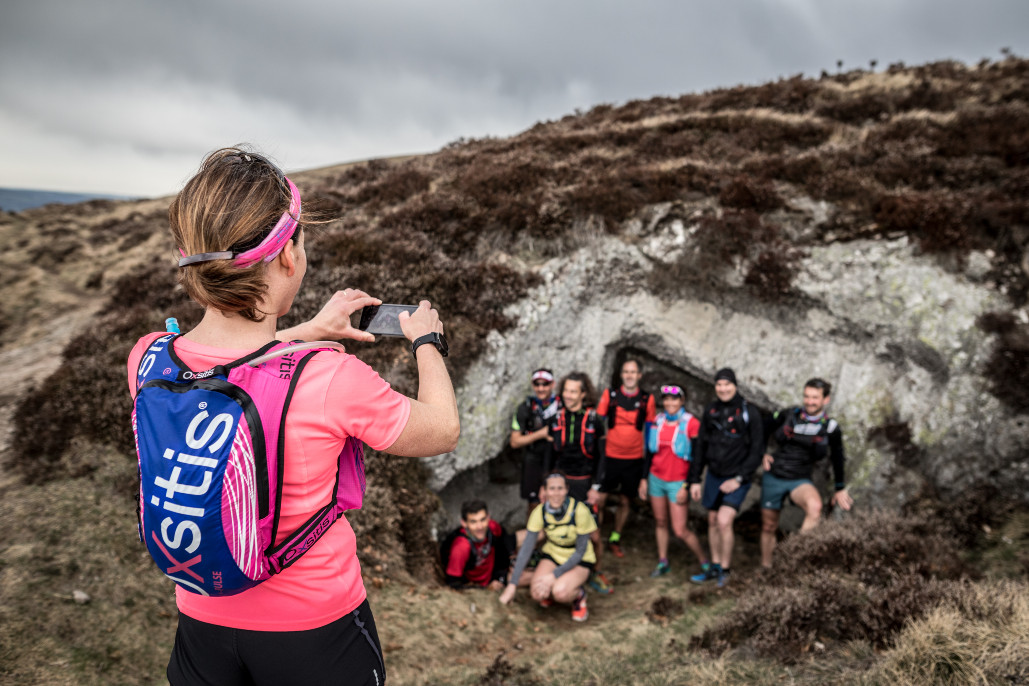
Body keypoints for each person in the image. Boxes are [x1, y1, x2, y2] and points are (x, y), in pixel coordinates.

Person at [127, 147, 459, 686]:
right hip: (315, 629)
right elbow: (442, 430)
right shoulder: (329, 378)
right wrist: (427, 341)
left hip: (202, 623)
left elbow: (225, 367)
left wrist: (309, 330)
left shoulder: (147, 359)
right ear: (288, 257)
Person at [760, 378, 854, 567]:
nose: (810, 401)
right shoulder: (788, 414)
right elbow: (761, 427)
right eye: (807, 396)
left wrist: (840, 488)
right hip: (775, 475)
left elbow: (837, 456)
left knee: (815, 507)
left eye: (815, 398)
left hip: (800, 479)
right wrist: (761, 453)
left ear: (825, 399)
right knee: (769, 526)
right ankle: (766, 568)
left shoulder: (830, 427)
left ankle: (793, 560)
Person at [687, 368, 763, 588]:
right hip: (714, 474)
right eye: (719, 384)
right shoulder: (711, 410)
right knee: (712, 520)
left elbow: (757, 450)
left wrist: (739, 478)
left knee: (723, 520)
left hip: (737, 476)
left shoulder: (749, 412)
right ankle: (715, 566)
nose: (723, 389)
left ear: (735, 386)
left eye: (727, 384)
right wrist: (695, 479)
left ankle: (726, 570)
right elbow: (701, 446)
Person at [543, 372, 611, 594]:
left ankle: (596, 572)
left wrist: (596, 488)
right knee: (558, 529)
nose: (568, 395)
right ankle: (563, 572)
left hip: (584, 484)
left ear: (583, 394)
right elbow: (549, 457)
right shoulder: (555, 419)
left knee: (594, 535)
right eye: (566, 390)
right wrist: (545, 486)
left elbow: (602, 458)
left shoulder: (594, 420)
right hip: (560, 486)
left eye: (573, 391)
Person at [499, 472, 595, 622]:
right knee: (537, 593)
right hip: (553, 553)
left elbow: (580, 551)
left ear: (566, 489)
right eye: (552, 488)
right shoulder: (540, 512)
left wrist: (553, 576)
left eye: (560, 488)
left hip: (579, 558)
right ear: (545, 491)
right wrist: (512, 585)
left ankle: (578, 595)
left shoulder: (580, 511)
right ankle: (552, 589)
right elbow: (526, 548)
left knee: (561, 592)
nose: (556, 493)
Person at [640, 385, 711, 578]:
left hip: (678, 482)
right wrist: (643, 479)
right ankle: (663, 561)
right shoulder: (658, 420)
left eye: (674, 399)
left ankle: (704, 561)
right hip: (656, 479)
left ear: (682, 401)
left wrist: (687, 485)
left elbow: (697, 458)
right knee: (660, 522)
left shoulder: (691, 424)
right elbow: (649, 453)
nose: (670, 403)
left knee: (680, 530)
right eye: (666, 399)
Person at [594, 358, 656, 559]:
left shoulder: (647, 399)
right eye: (626, 372)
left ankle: (615, 537)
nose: (629, 375)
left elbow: (650, 433)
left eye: (633, 372)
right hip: (610, 457)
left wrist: (645, 468)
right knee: (600, 499)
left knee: (625, 500)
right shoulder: (610, 395)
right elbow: (598, 425)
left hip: (633, 459)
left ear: (639, 375)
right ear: (621, 375)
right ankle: (595, 537)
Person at [509, 368, 561, 517]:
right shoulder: (525, 407)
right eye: (537, 384)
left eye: (545, 384)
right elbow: (514, 441)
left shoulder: (562, 405)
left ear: (552, 384)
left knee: (558, 501)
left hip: (557, 459)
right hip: (534, 460)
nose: (541, 388)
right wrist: (541, 434)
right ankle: (533, 531)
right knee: (534, 504)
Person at [442, 500, 511, 591]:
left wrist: (511, 558)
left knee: (527, 535)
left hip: (495, 572)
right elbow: (453, 582)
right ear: (464, 523)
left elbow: (505, 540)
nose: (480, 527)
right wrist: (484, 588)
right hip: (476, 583)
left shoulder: (492, 527)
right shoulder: (461, 547)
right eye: (473, 522)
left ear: (488, 518)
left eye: (483, 520)